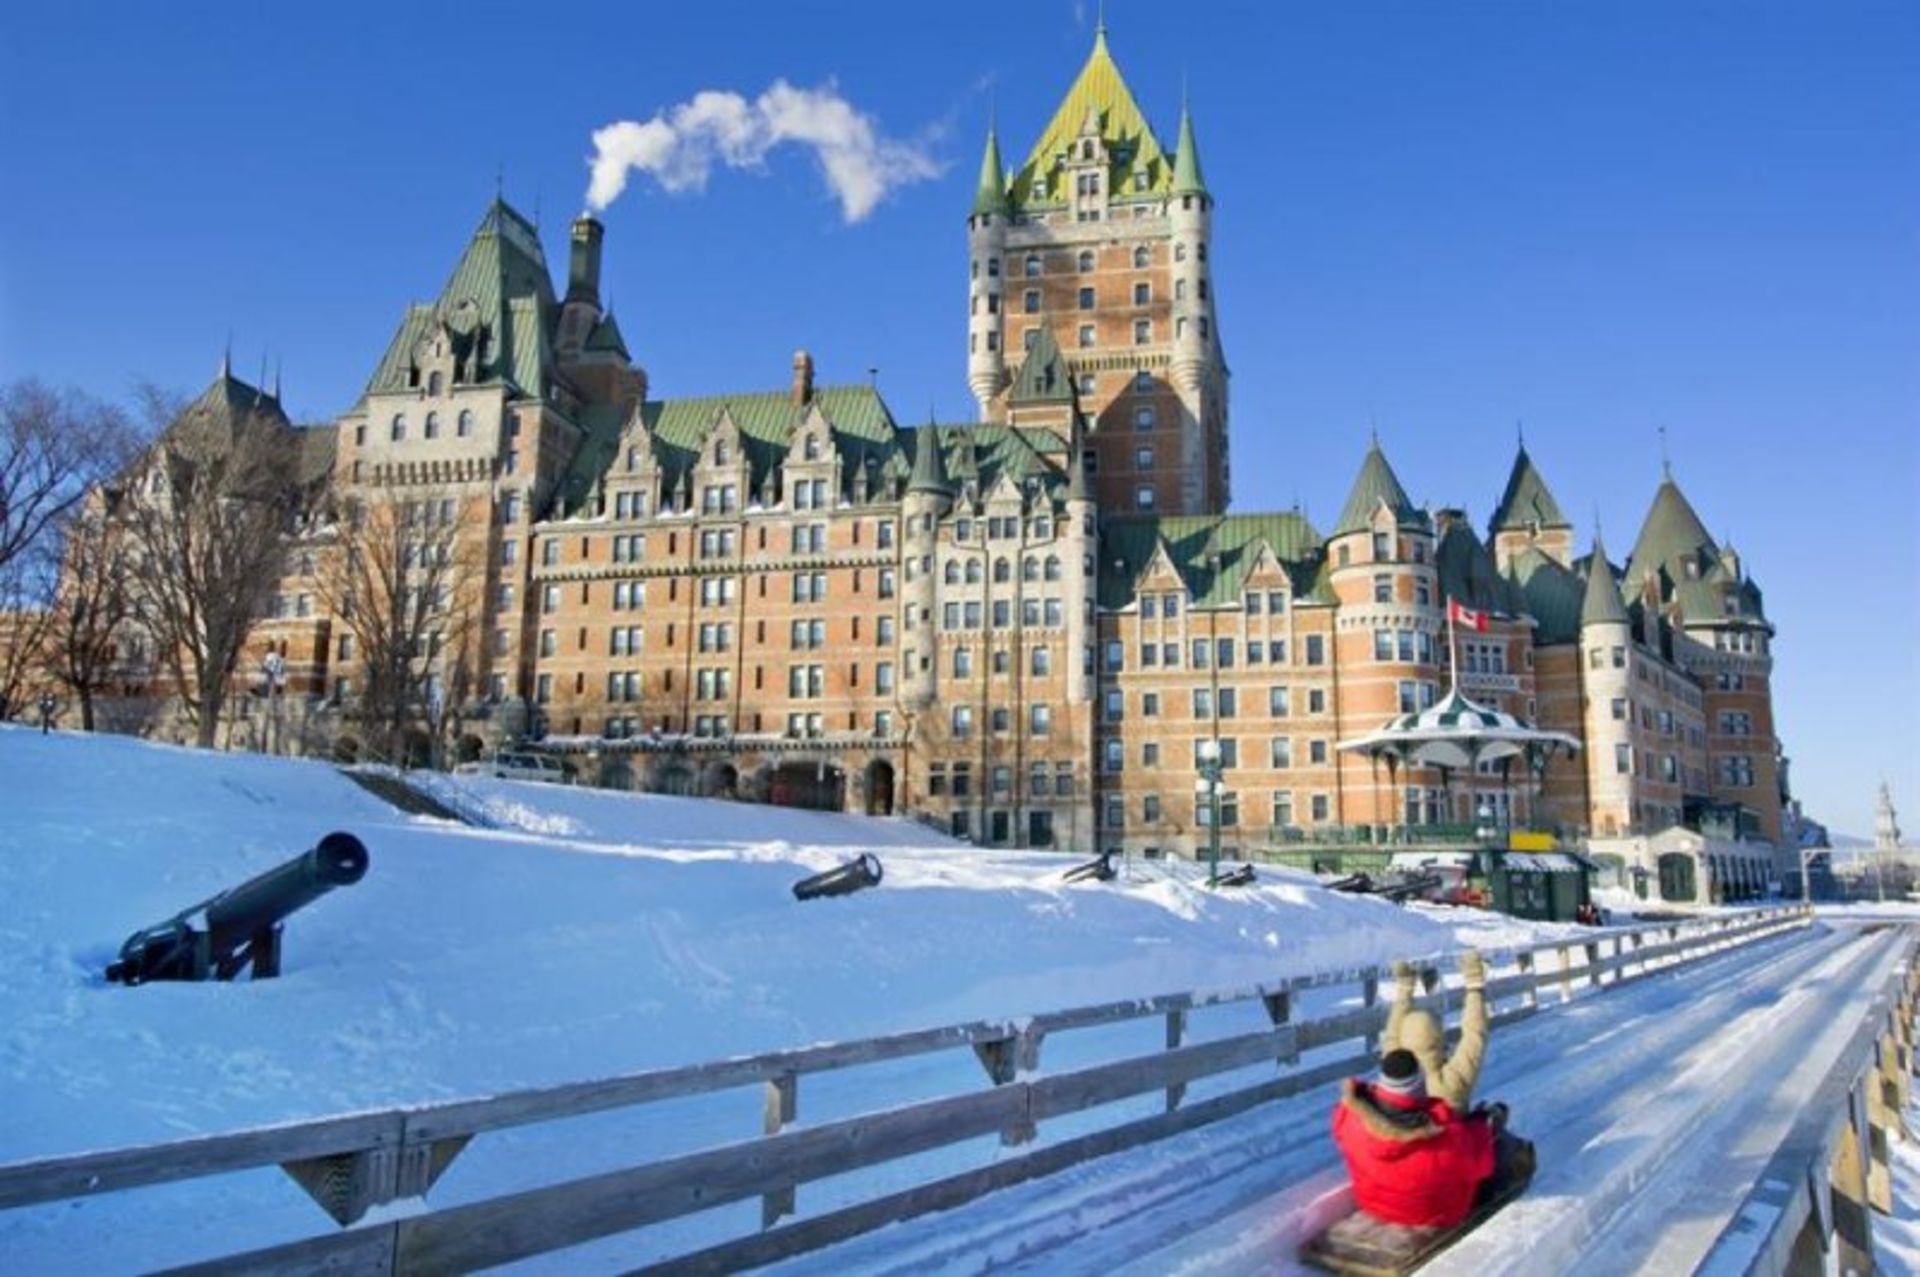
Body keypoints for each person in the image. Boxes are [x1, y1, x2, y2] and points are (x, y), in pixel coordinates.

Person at [1331, 1047, 1498, 1229]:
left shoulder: (1349, 1112)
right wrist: (1481, 1125)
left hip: (1371, 1204)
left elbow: (1342, 1136)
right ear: (1419, 1085)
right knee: (1492, 1157)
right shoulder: (1442, 1133)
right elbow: (1482, 1164)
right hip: (1431, 1215)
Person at [1382, 949, 1488, 1110]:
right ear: (1438, 1037)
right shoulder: (1449, 1083)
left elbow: (1392, 1034)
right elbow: (1474, 1036)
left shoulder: (1396, 1077)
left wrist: (1405, 988)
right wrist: (1474, 985)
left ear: (1403, 1038)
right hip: (1455, 1133)